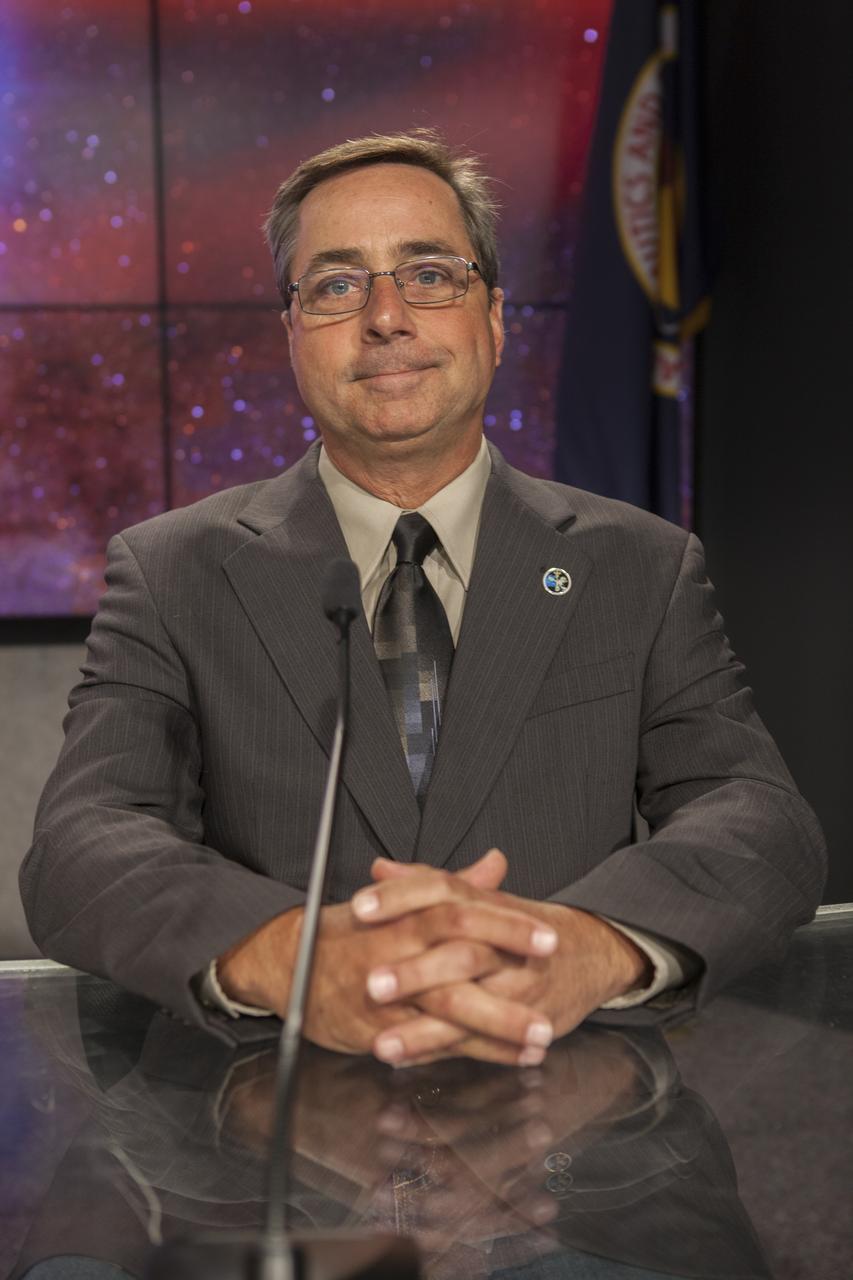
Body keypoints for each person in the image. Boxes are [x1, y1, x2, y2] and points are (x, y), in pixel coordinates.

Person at [21, 130, 826, 1071]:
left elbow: (757, 817)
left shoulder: (638, 566)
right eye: (335, 286)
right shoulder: (171, 572)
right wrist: (289, 956)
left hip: (580, 1128)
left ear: (493, 318)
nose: (386, 317)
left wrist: (587, 945)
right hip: (271, 1130)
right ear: (291, 338)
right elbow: (83, 842)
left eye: (430, 275)